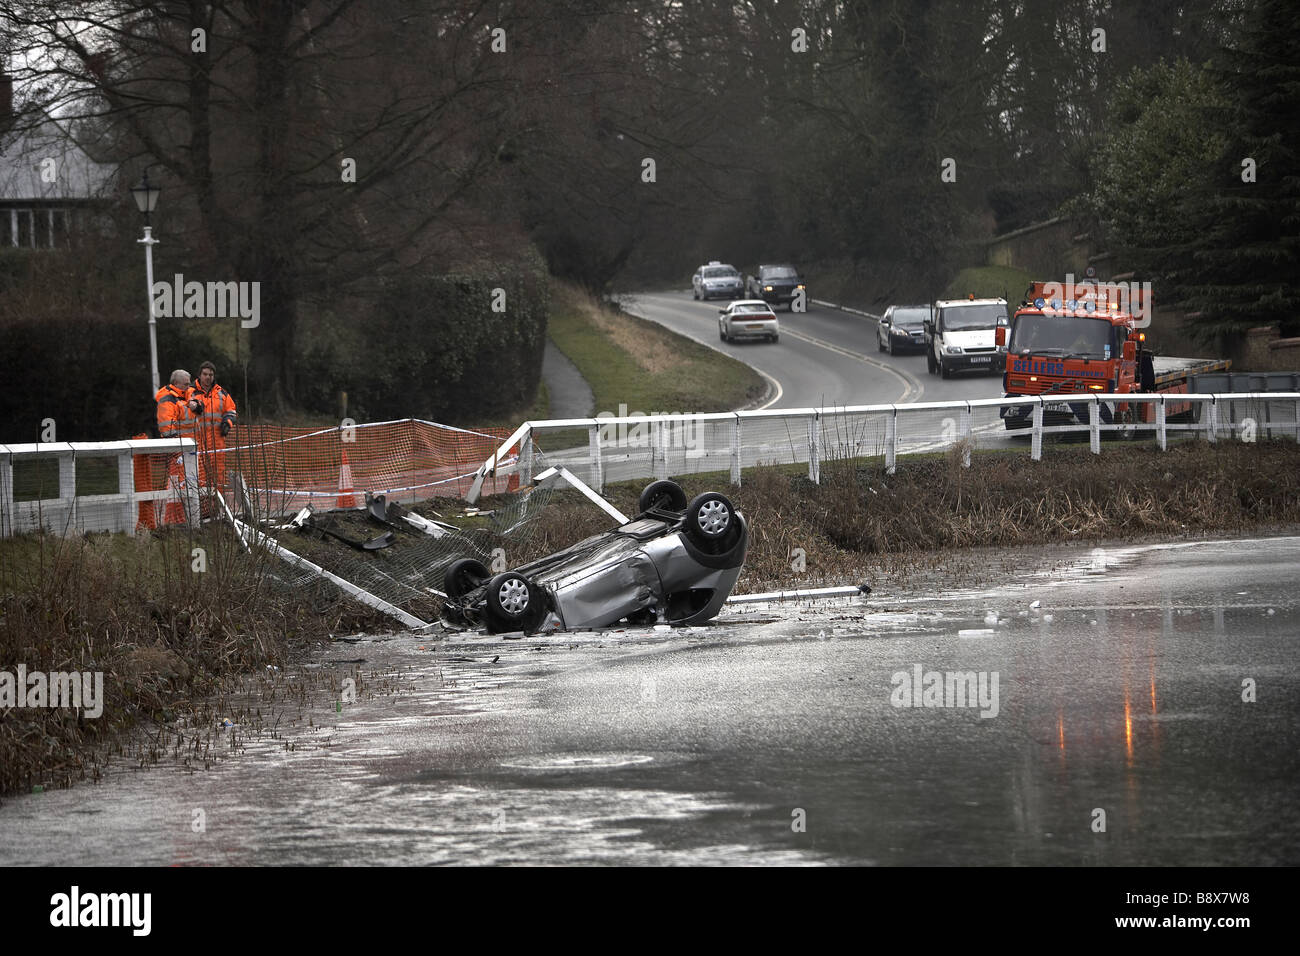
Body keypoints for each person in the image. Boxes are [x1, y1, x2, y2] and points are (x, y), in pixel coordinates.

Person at [189, 360, 238, 501]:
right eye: (205, 374)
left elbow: (231, 410)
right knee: (199, 476)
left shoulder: (221, 393)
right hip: (196, 441)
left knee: (218, 476)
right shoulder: (191, 393)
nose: (208, 377)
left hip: (217, 441)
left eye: (210, 374)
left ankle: (218, 509)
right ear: (199, 375)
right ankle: (201, 510)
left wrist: (227, 423)